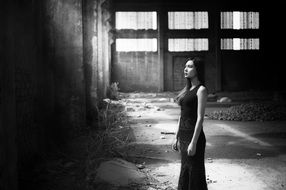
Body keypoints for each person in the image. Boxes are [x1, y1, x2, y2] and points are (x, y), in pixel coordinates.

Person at [172, 57, 208, 190]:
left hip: (195, 137)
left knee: (195, 172)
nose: (186, 69)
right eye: (185, 66)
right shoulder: (187, 89)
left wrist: (194, 142)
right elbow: (182, 116)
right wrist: (176, 137)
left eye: (190, 66)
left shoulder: (201, 90)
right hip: (183, 136)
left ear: (197, 70)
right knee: (185, 170)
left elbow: (200, 118)